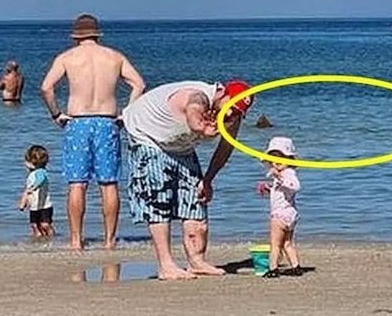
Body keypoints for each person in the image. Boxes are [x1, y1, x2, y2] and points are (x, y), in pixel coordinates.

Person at [122, 79, 254, 280]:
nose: (230, 114)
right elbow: (194, 113)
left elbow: (225, 148)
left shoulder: (233, 117)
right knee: (159, 200)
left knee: (196, 199)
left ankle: (197, 261)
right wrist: (202, 128)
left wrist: (208, 180)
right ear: (222, 94)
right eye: (230, 107)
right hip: (147, 136)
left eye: (237, 112)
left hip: (180, 145)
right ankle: (166, 266)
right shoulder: (198, 96)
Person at [40, 14, 145, 251]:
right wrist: (125, 113)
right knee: (109, 184)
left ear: (76, 36)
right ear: (97, 34)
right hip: (107, 121)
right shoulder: (114, 57)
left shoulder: (67, 58)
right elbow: (139, 83)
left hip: (78, 122)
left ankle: (76, 240)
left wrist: (56, 114)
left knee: (77, 184)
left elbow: (46, 88)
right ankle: (110, 241)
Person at [256, 137, 303, 278]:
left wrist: (280, 178)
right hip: (289, 213)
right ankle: (296, 266)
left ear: (289, 159)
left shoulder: (288, 174)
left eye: (280, 159)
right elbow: (282, 193)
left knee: (275, 244)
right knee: (287, 243)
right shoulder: (281, 175)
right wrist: (269, 188)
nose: (276, 164)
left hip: (280, 214)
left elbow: (295, 186)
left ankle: (273, 269)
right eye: (273, 160)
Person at [19, 145, 55, 238]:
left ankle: (52, 237)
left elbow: (41, 179)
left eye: (26, 161)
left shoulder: (40, 172)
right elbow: (26, 191)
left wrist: (35, 187)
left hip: (45, 205)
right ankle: (39, 240)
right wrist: (24, 203)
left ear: (32, 162)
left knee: (45, 224)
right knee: (35, 225)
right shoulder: (31, 174)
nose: (24, 163)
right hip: (34, 206)